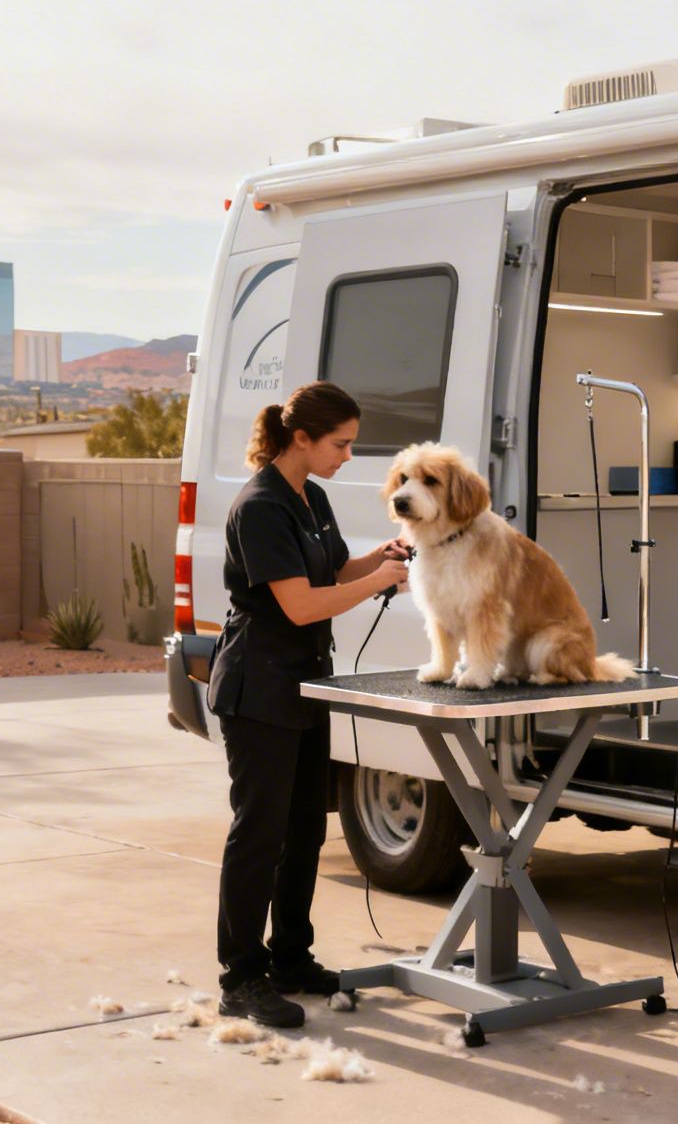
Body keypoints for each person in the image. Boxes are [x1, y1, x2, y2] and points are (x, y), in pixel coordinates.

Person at [207, 380, 411, 1028]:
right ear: (301, 438)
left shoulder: (309, 496)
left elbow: (327, 574)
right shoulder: (261, 506)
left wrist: (377, 559)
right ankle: (242, 978)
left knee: (304, 832)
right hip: (259, 688)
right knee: (259, 836)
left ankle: (291, 959)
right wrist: (378, 582)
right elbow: (299, 605)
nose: (348, 455)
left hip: (303, 683)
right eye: (340, 443)